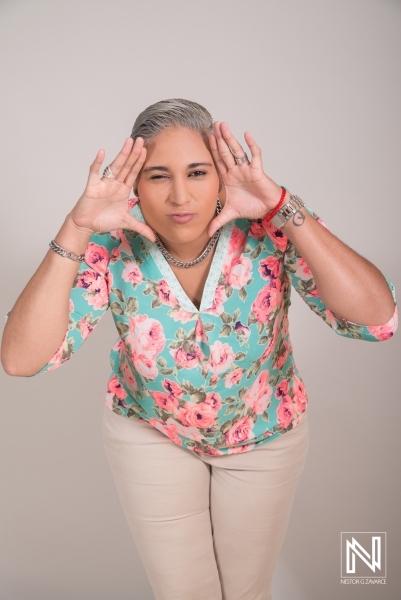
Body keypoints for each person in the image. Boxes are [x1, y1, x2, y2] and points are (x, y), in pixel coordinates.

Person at [1, 98, 397, 600]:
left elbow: (379, 319)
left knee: (247, 592)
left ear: (221, 179)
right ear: (134, 187)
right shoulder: (109, 246)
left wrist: (282, 204)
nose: (180, 195)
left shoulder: (269, 228)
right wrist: (76, 228)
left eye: (197, 172)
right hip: (151, 433)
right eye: (158, 176)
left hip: (264, 433)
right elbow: (20, 359)